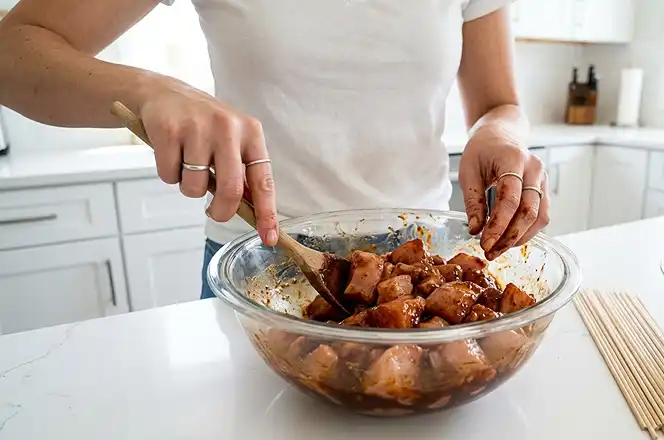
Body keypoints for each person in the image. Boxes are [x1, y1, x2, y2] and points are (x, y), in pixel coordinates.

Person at [0, 0, 550, 299]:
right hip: (261, 261)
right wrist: (150, 90)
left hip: (423, 251)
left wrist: (500, 132)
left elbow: (500, 103)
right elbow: (14, 50)